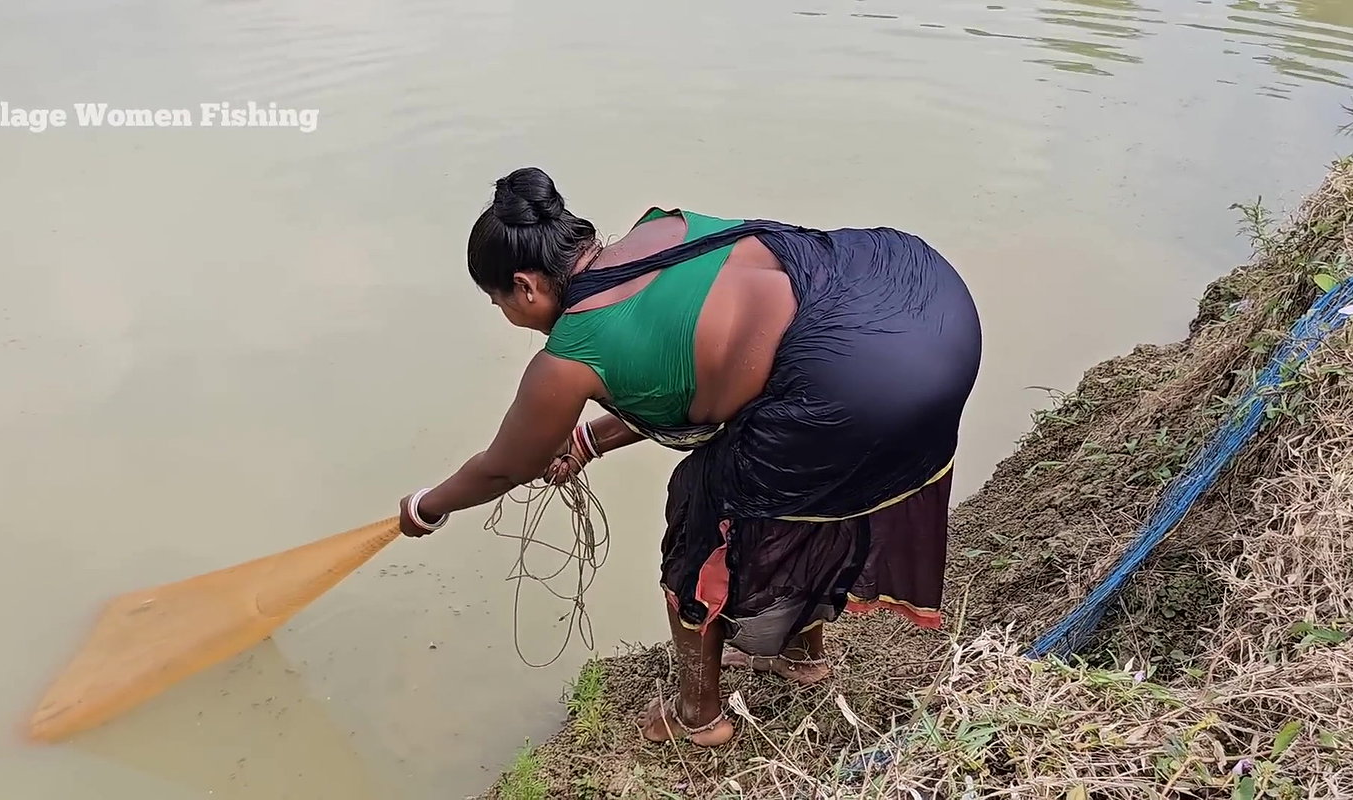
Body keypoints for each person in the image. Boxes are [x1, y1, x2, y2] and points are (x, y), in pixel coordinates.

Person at [398, 166, 982, 747]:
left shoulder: (566, 359)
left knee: (701, 511)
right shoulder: (663, 228)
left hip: (861, 382)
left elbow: (506, 466)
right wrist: (589, 441)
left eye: (498, 301)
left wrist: (426, 507)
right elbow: (704, 373)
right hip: (918, 293)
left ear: (525, 286)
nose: (505, 314)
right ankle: (800, 655)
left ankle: (697, 716)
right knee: (799, 480)